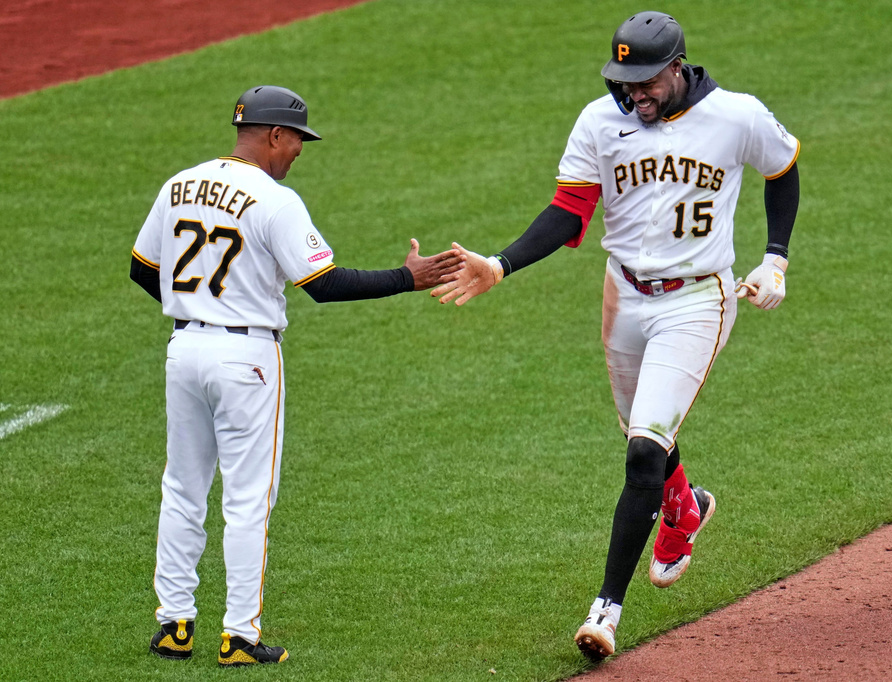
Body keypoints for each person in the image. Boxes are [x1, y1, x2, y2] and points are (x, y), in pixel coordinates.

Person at [432, 11, 799, 661]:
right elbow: (568, 211)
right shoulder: (601, 123)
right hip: (623, 295)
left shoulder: (737, 116)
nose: (635, 94)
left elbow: (783, 166)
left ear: (678, 67)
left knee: (641, 455)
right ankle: (685, 506)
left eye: (647, 82)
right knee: (640, 436)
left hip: (697, 301)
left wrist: (775, 258)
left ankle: (606, 611)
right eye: (624, 80)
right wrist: (500, 264)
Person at [130, 85, 464, 666]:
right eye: (298, 140)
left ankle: (174, 624)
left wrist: (206, 301)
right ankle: (239, 635)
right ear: (273, 135)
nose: (300, 151)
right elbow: (324, 285)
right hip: (248, 360)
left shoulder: (178, 183)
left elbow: (142, 270)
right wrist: (406, 278)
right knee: (248, 499)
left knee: (181, 488)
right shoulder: (274, 199)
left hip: (183, 350)